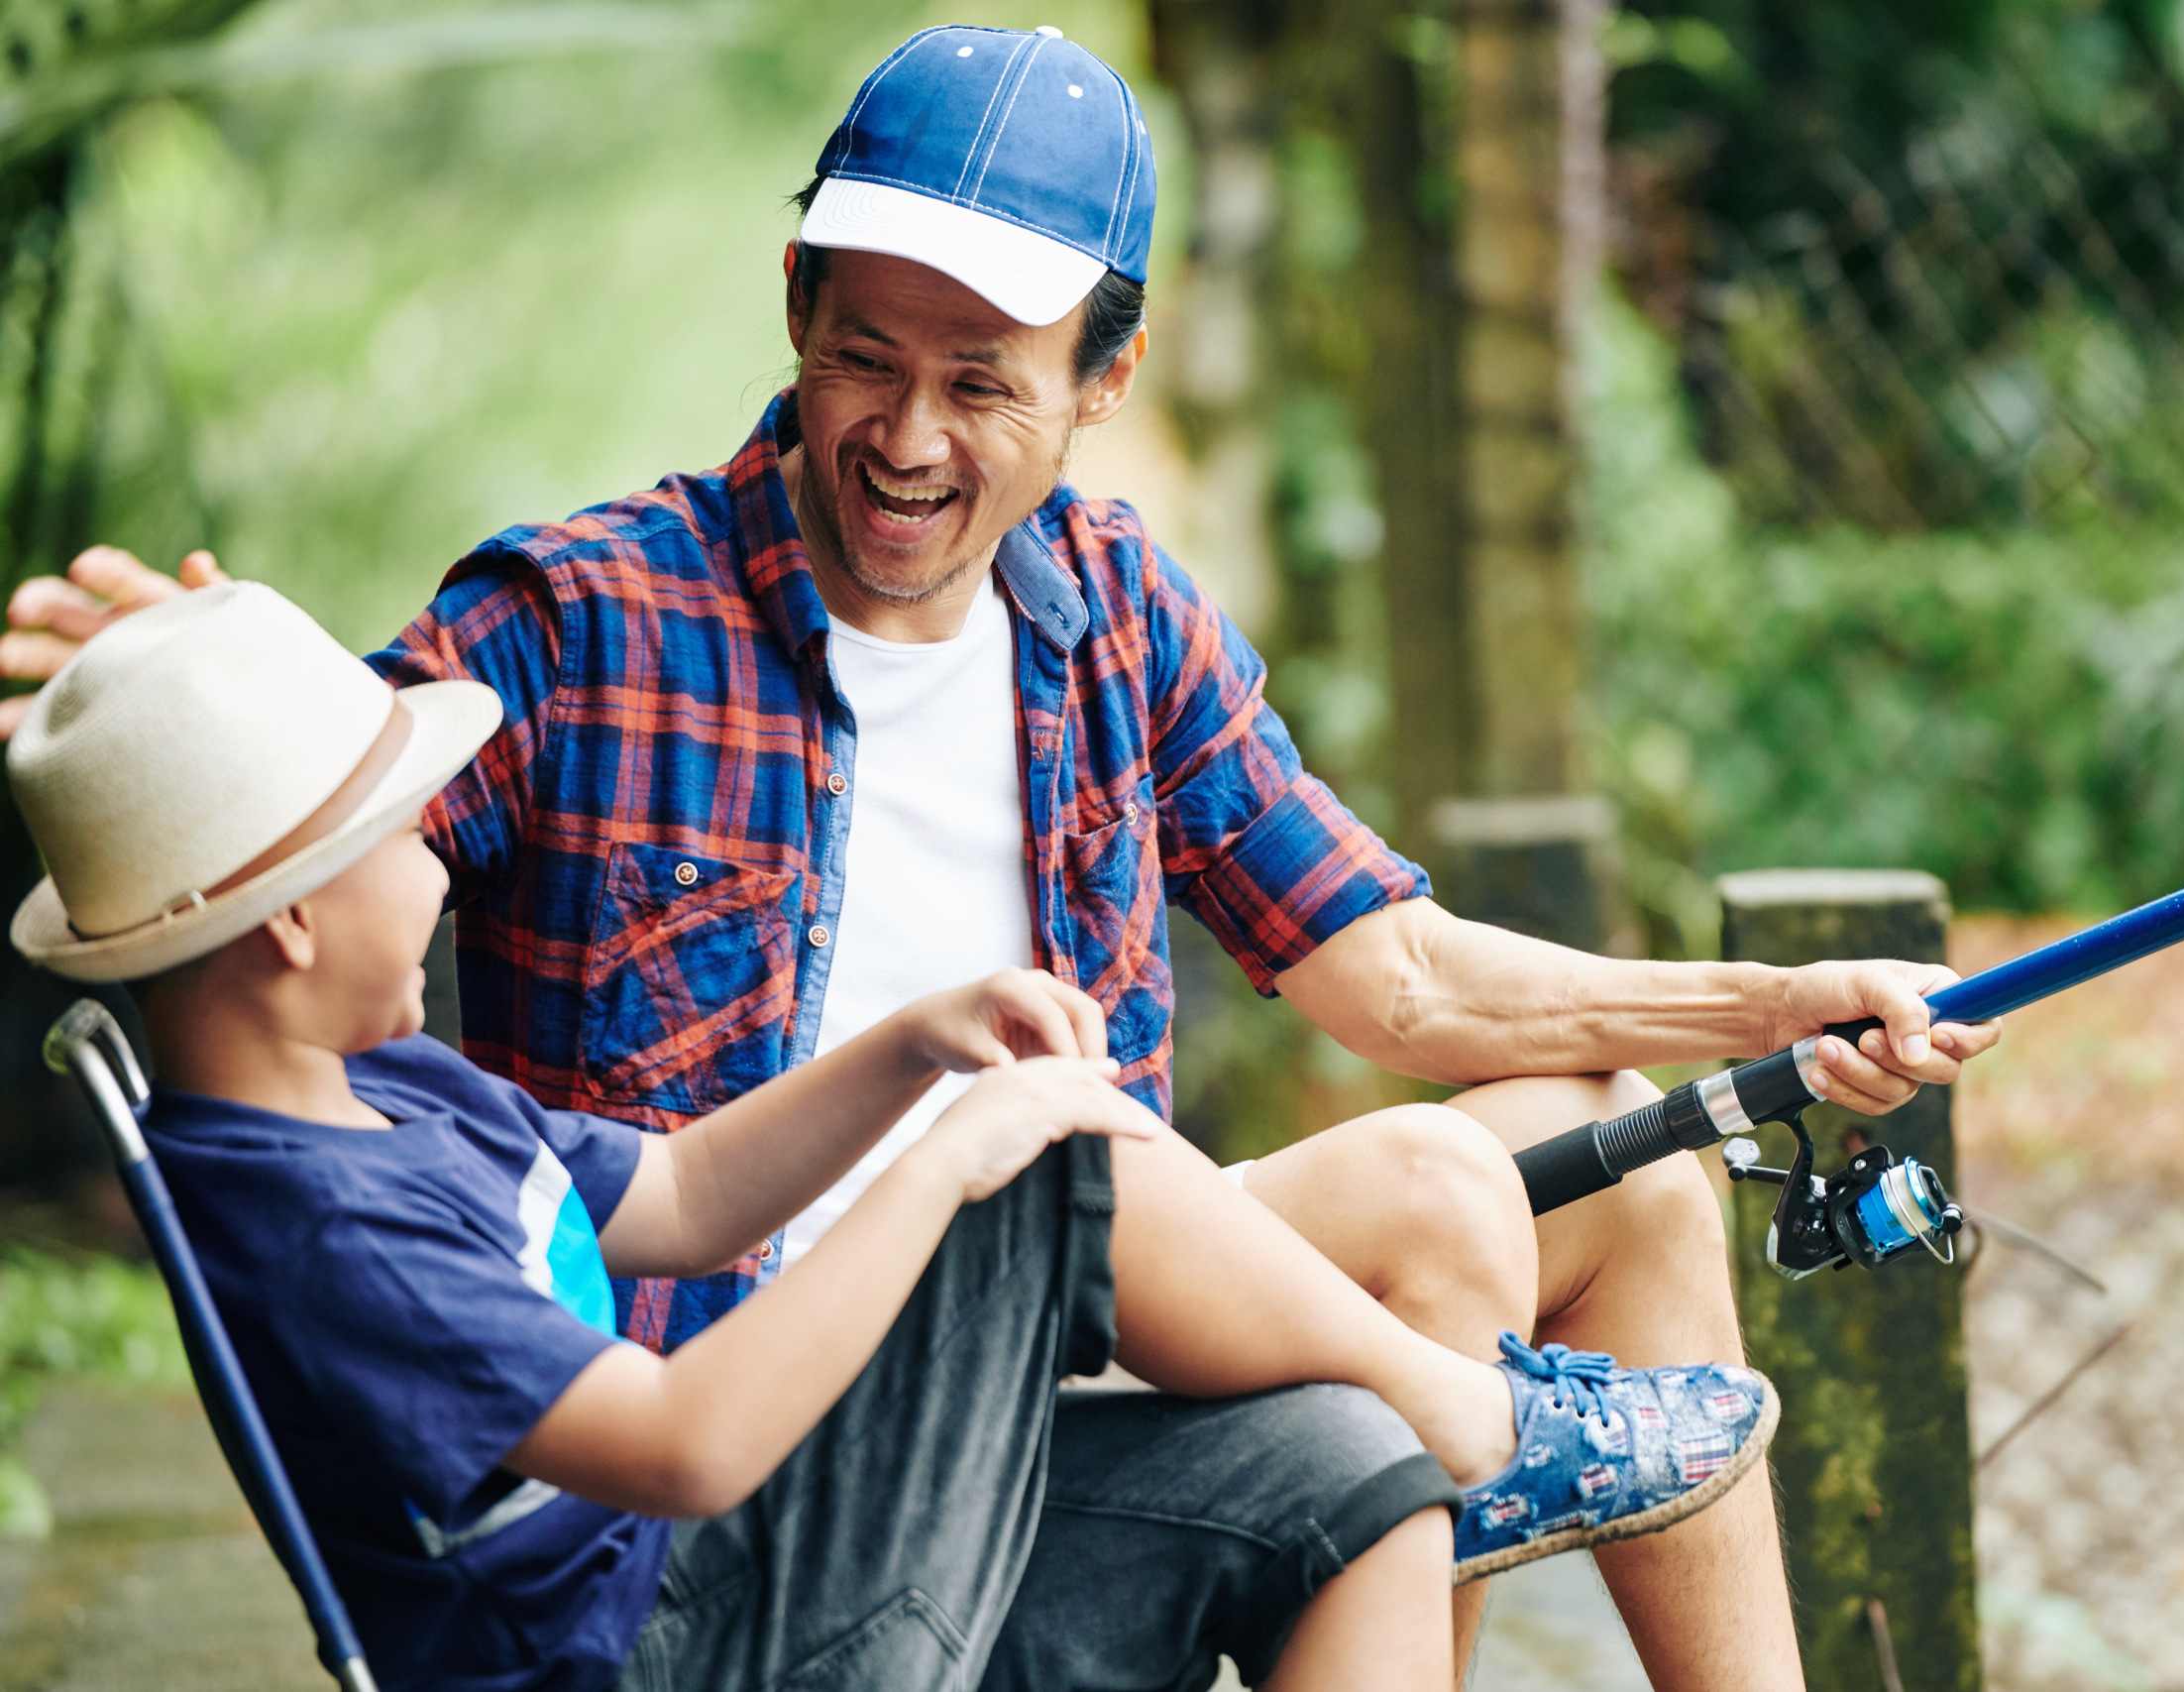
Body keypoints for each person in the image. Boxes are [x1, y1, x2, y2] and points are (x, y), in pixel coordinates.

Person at [0, 24, 1999, 1685]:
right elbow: (301, 866)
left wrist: (1771, 1009)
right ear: (795, 310)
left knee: (1627, 1154)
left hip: (1081, 1306)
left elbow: (1380, 967)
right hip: (743, 1433)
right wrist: (187, 724)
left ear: (1097, 385)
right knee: (1415, 1207)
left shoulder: (1111, 610)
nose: (907, 435)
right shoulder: (590, 615)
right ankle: (1477, 1434)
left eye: (982, 383)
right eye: (865, 356)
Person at [6, 579, 1779, 1692]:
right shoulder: (321, 1220)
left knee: (1340, 1481)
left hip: (736, 1593)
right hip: (673, 1643)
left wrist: (912, 1057)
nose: (438, 853)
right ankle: (1477, 1407)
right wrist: (954, 1153)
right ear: (293, 920)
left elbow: (690, 1193)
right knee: (1059, 1154)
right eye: (410, 828)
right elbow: (686, 1444)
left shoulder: (395, 1095)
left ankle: (1428, 1427)